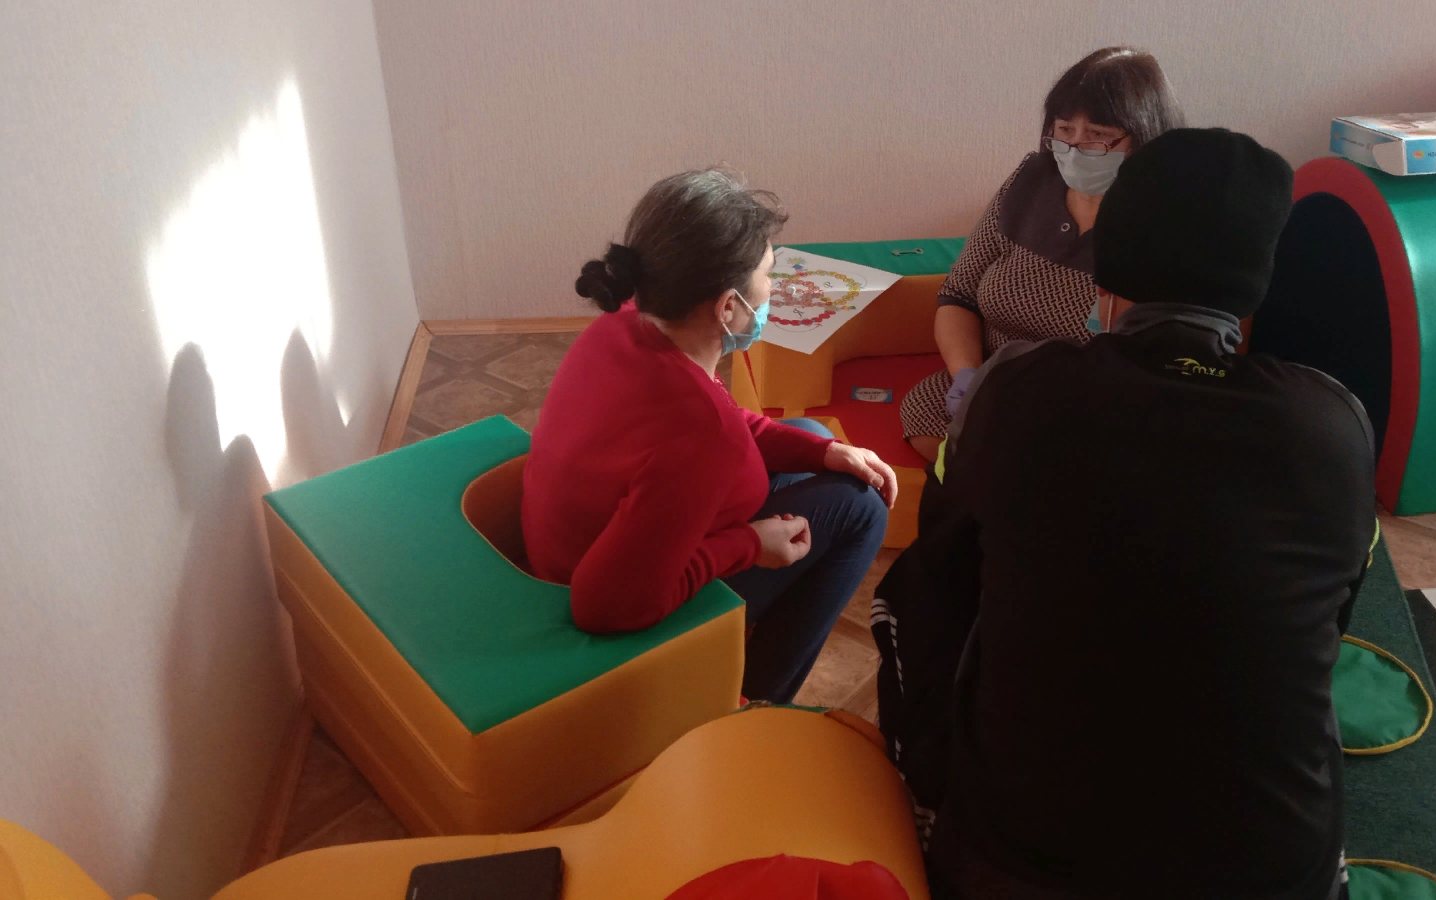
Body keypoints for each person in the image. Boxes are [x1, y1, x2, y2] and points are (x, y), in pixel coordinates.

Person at [918, 129, 1379, 899]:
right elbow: (1330, 621)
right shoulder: (1333, 424)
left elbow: (942, 581)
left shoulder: (1018, 393)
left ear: (1110, 259)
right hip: (1271, 873)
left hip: (1020, 863)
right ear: (1258, 277)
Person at [520, 168, 895, 703]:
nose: (773, 289)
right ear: (727, 306)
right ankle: (754, 701)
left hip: (588, 543)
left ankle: (752, 671)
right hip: (614, 602)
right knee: (863, 508)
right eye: (767, 275)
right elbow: (603, 608)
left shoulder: (625, 325)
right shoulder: (700, 435)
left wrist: (825, 451)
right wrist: (748, 546)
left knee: (811, 435)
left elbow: (721, 421)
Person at [899, 47, 1184, 461]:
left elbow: (1157, 361)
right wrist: (968, 376)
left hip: (1092, 401)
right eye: (1064, 130)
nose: (1074, 147)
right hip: (996, 376)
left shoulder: (1165, 227)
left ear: (1145, 136)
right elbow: (958, 294)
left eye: (1098, 135)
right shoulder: (1031, 181)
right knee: (924, 413)